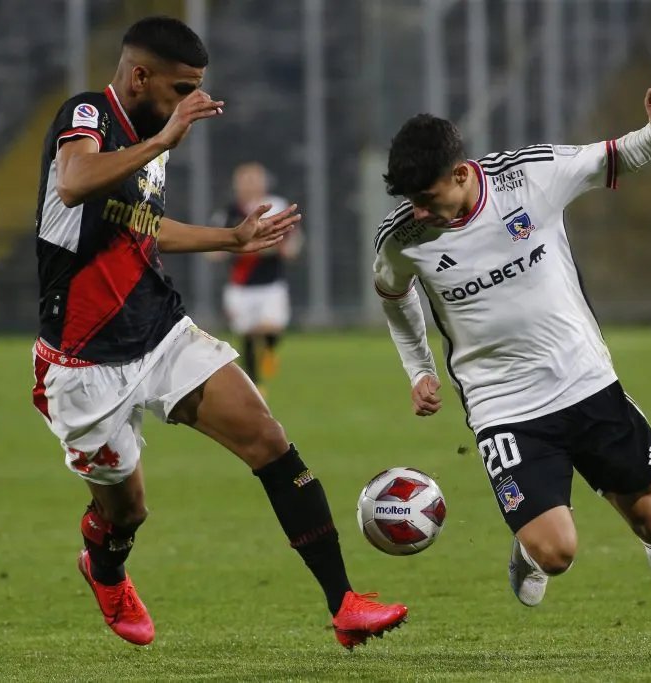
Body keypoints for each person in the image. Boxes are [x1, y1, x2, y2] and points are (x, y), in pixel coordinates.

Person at [31, 16, 406, 649]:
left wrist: (229, 239)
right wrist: (165, 137)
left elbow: (142, 226)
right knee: (126, 513)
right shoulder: (89, 114)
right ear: (140, 75)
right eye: (182, 90)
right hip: (82, 360)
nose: (192, 104)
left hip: (159, 332)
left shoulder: (151, 138)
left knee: (268, 439)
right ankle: (104, 566)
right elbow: (72, 184)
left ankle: (345, 604)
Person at [373, 80, 651, 662]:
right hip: (503, 406)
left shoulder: (527, 177)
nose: (418, 211)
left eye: (425, 197)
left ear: (459, 172)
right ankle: (529, 549)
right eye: (410, 201)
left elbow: (621, 155)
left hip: (585, 381)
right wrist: (418, 368)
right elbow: (394, 295)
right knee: (555, 552)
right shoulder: (403, 237)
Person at [208, 162, 303, 393]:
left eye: (254, 178)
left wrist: (286, 248)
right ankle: (256, 384)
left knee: (271, 328)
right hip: (240, 287)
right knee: (248, 333)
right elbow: (213, 246)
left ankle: (269, 350)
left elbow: (293, 238)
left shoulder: (276, 206)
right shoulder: (229, 212)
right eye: (244, 179)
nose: (249, 184)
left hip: (271, 283)